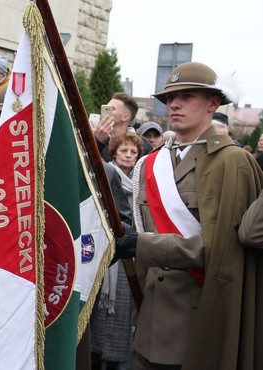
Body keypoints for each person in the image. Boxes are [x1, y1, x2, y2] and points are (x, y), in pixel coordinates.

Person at [115, 61, 263, 369]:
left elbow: (224, 250)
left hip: (197, 325)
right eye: (169, 98)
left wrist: (143, 245)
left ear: (213, 103)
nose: (174, 104)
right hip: (148, 322)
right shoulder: (154, 162)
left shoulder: (232, 162)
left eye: (186, 95)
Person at [90, 132, 143, 370]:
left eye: (133, 152)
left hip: (126, 261)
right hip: (106, 257)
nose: (129, 156)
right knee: (99, 316)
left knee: (121, 315)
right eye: (124, 151)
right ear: (113, 153)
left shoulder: (140, 182)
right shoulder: (106, 173)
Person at [93, 92, 153, 161]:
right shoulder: (97, 139)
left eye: (111, 109)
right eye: (106, 107)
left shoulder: (144, 145)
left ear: (125, 117)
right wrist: (98, 142)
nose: (105, 111)